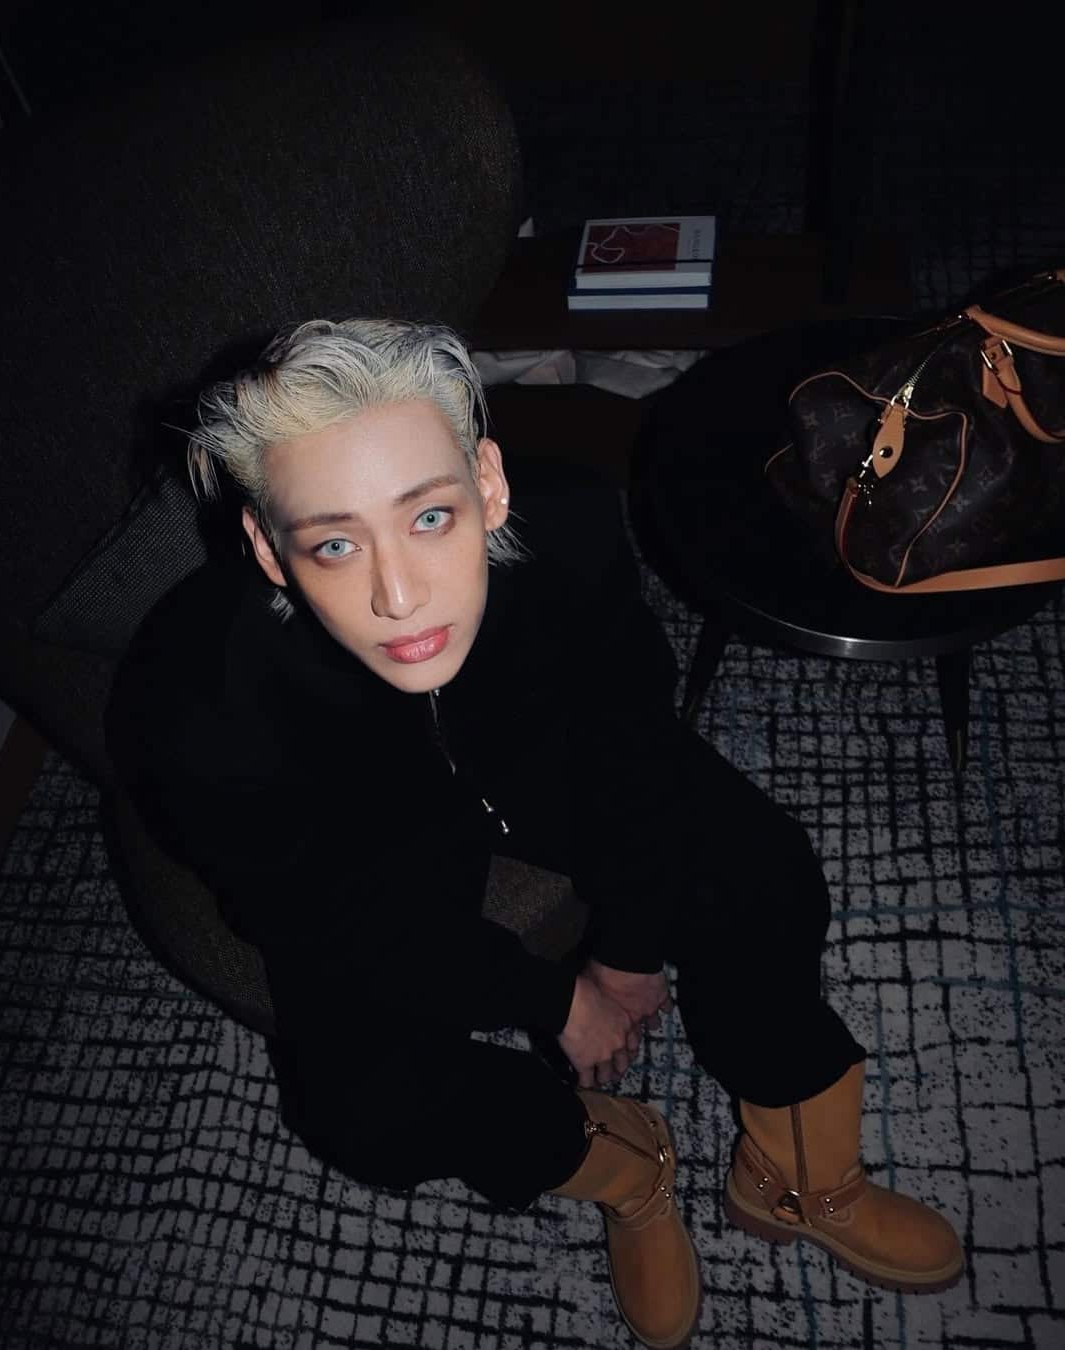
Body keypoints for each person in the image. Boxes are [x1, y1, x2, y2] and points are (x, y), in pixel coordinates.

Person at [107, 319, 963, 1350]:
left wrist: (629, 949)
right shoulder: (197, 704)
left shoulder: (570, 529)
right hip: (365, 831)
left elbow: (633, 744)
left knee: (762, 871)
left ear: (489, 483)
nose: (397, 596)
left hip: (535, 760)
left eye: (430, 517)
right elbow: (328, 920)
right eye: (334, 543)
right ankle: (624, 1168)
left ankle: (797, 1174)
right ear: (265, 548)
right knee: (363, 1108)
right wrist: (551, 999)